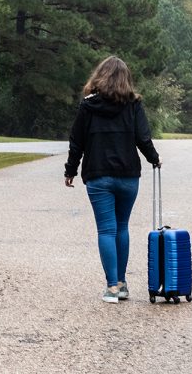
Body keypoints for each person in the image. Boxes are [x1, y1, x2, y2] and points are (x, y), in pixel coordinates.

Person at [64, 55, 161, 303]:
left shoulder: (88, 106)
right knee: (122, 227)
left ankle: (112, 287)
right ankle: (122, 282)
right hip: (128, 176)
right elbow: (143, 138)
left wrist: (70, 170)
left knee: (106, 229)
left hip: (98, 176)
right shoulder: (133, 104)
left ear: (100, 76)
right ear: (126, 79)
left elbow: (77, 141)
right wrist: (154, 158)